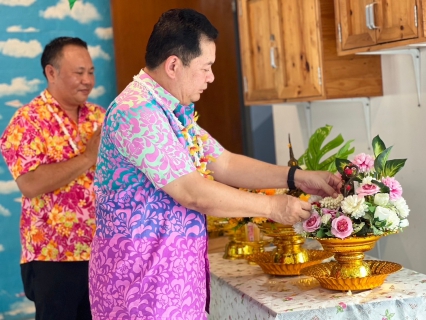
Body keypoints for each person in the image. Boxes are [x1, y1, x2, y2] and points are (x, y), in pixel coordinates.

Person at [89, 9, 341, 320]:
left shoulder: (169, 109)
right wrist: (274, 208)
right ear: (173, 65)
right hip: (142, 287)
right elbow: (192, 192)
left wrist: (296, 178)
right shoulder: (137, 112)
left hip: (172, 281)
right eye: (205, 67)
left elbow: (224, 162)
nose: (211, 77)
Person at [0, 37, 105, 320]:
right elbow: (30, 184)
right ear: (51, 72)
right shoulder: (27, 120)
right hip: (53, 256)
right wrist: (87, 158)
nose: (87, 80)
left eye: (91, 72)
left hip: (102, 251)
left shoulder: (100, 117)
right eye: (79, 72)